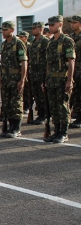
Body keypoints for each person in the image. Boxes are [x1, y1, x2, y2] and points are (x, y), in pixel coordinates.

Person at [43, 15, 76, 143]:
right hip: (52, 80)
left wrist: (69, 80)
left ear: (60, 25)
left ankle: (64, 133)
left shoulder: (67, 41)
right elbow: (48, 63)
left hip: (62, 79)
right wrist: (46, 79)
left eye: (52, 25)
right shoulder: (50, 42)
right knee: (54, 106)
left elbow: (71, 61)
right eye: (49, 25)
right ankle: (56, 131)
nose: (50, 27)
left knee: (63, 106)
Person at [0, 21, 28, 138]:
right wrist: (0, 77)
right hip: (6, 79)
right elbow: (2, 63)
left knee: (16, 103)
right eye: (2, 30)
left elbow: (24, 62)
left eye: (5, 30)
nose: (3, 32)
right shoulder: (4, 44)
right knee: (7, 104)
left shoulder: (19, 43)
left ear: (12, 30)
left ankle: (16, 128)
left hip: (15, 78)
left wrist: (22, 80)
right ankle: (10, 127)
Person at [28, 22, 49, 125]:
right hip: (34, 73)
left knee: (42, 95)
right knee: (36, 95)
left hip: (42, 72)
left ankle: (44, 115)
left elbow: (48, 59)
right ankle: (39, 114)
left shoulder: (46, 41)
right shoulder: (32, 43)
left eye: (34, 28)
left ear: (41, 29)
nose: (32, 30)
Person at [68, 15, 81, 128]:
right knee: (75, 93)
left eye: (75, 22)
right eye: (71, 22)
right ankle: (76, 114)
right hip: (74, 69)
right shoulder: (71, 38)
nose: (72, 24)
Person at [16, 31, 32, 115]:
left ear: (25, 38)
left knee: (27, 90)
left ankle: (27, 106)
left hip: (28, 71)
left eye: (21, 37)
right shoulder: (18, 45)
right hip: (21, 71)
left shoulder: (29, 46)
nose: (19, 38)